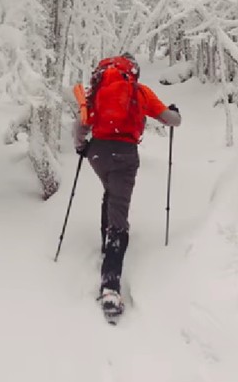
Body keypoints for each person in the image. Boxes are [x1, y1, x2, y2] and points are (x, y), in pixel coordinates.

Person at [73, 53, 181, 318]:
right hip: (125, 154)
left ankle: (105, 244)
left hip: (97, 153)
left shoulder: (97, 89)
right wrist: (175, 113)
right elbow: (171, 120)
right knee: (119, 215)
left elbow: (80, 124)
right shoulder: (139, 91)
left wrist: (82, 148)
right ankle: (110, 286)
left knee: (110, 194)